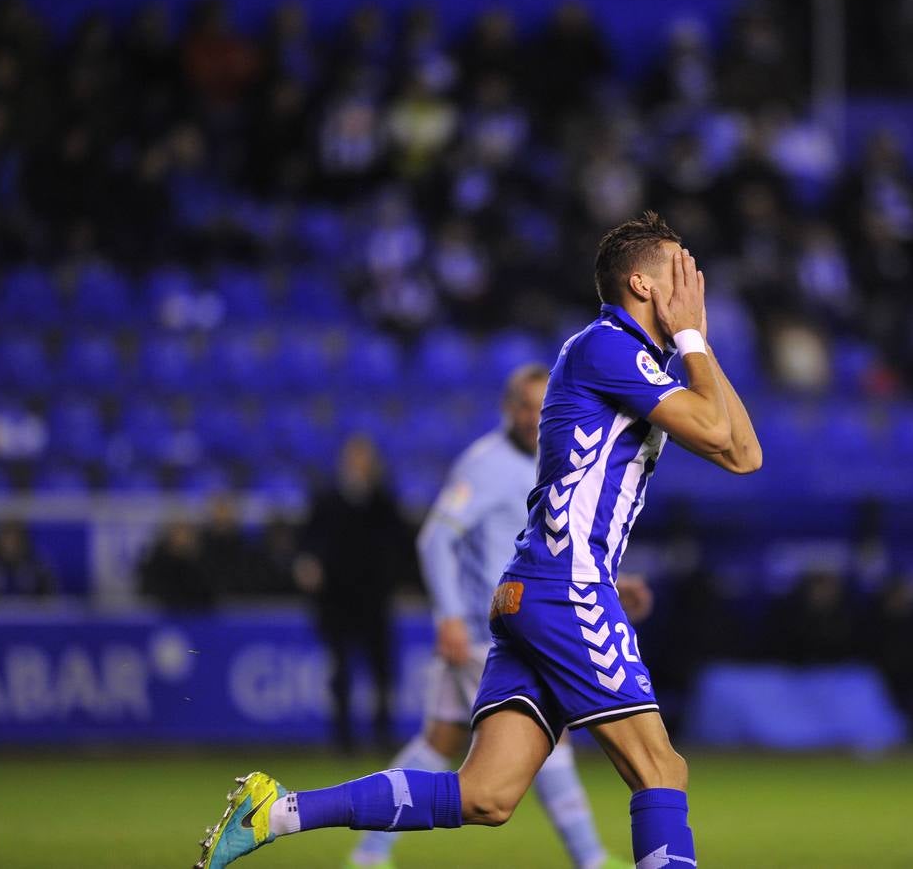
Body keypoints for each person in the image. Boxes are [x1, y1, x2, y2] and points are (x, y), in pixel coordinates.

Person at [196, 211, 762, 869]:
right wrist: (691, 333)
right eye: (680, 272)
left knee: (486, 795)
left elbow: (744, 453)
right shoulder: (606, 345)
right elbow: (721, 437)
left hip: (532, 593)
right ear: (641, 283)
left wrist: (697, 340)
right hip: (566, 588)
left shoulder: (643, 361)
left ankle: (278, 811)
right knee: (661, 771)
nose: (694, 282)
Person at [347, 362, 640, 869]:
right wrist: (450, 617)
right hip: (496, 630)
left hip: (519, 621)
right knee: (550, 736)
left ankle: (369, 853)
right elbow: (436, 537)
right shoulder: (484, 463)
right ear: (508, 409)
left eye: (541, 406)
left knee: (439, 741)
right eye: (524, 406)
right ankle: (591, 858)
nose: (533, 417)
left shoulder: (557, 457)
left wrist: (610, 583)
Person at [296, 435, 414, 753]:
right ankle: (343, 738)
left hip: (374, 600)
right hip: (336, 601)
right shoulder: (327, 499)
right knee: (341, 671)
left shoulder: (382, 500)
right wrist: (308, 564)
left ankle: (382, 734)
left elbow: (399, 545)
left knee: (382, 671)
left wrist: (397, 580)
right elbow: (308, 542)